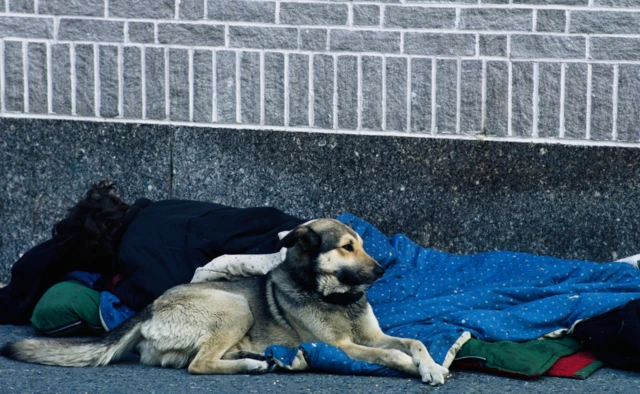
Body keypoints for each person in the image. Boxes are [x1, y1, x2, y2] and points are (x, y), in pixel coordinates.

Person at [0, 180, 306, 330]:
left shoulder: (137, 255)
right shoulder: (161, 208)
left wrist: (113, 285)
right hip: (300, 228)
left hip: (291, 257)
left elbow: (164, 298)